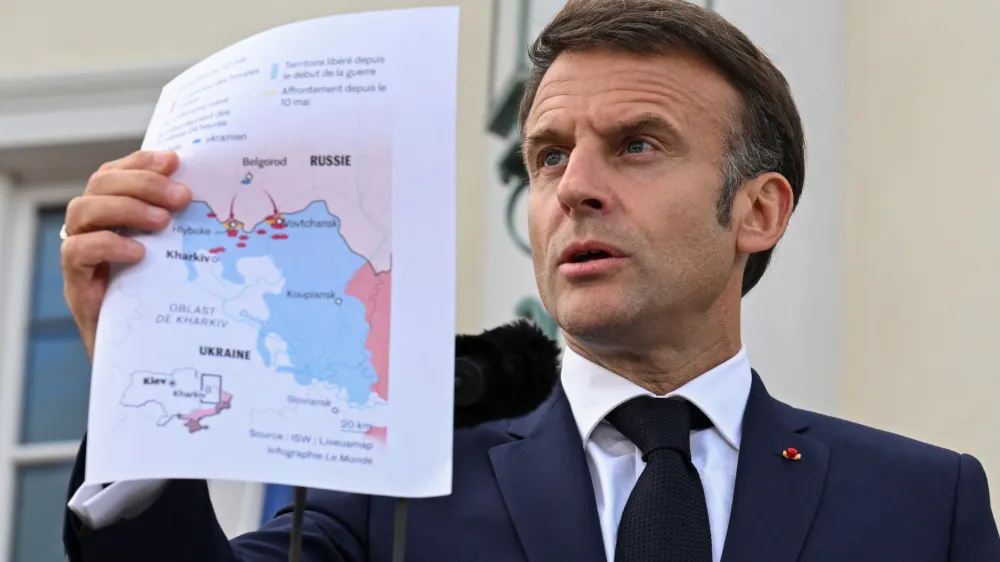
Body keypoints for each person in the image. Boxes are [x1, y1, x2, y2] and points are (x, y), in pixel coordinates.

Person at [61, 1, 999, 561]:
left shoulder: (924, 503)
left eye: (637, 145)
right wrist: (139, 372)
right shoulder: (393, 493)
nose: (575, 190)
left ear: (759, 211)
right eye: (550, 156)